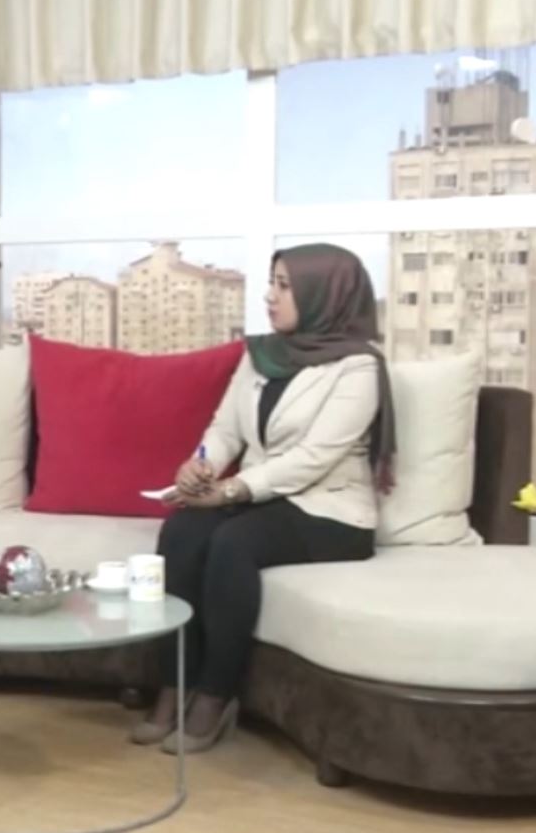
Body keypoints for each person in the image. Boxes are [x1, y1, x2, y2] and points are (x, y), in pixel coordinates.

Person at [132, 243, 396, 754]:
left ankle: (216, 694)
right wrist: (200, 465)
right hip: (262, 497)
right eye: (271, 283)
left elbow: (315, 458)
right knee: (182, 530)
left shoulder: (357, 367)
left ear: (322, 295)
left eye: (284, 286)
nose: (269, 296)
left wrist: (231, 490)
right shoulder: (260, 356)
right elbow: (224, 430)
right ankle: (173, 683)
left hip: (329, 511)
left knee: (233, 543)